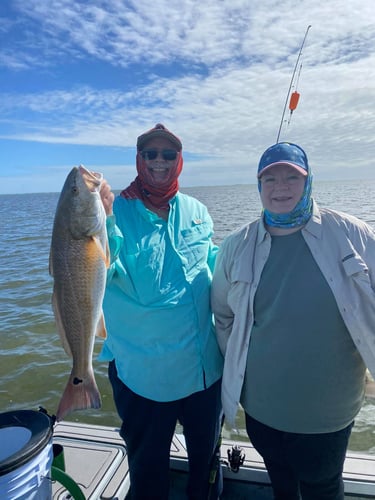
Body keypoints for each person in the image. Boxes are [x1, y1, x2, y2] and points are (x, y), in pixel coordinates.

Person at [211, 141, 375, 500]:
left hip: (328, 414)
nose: (280, 187)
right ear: (258, 187)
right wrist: (242, 367)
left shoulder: (353, 233)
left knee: (323, 486)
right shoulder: (237, 244)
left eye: (291, 177)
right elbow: (223, 315)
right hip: (261, 410)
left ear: (309, 181)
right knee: (282, 484)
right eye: (269, 179)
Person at [99, 123, 223, 500]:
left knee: (206, 466)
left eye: (168, 154)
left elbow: (215, 267)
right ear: (139, 160)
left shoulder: (197, 211)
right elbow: (95, 266)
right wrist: (97, 215)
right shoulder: (114, 213)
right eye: (150, 154)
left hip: (204, 375)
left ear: (179, 161)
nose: (159, 161)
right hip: (143, 378)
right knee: (148, 471)